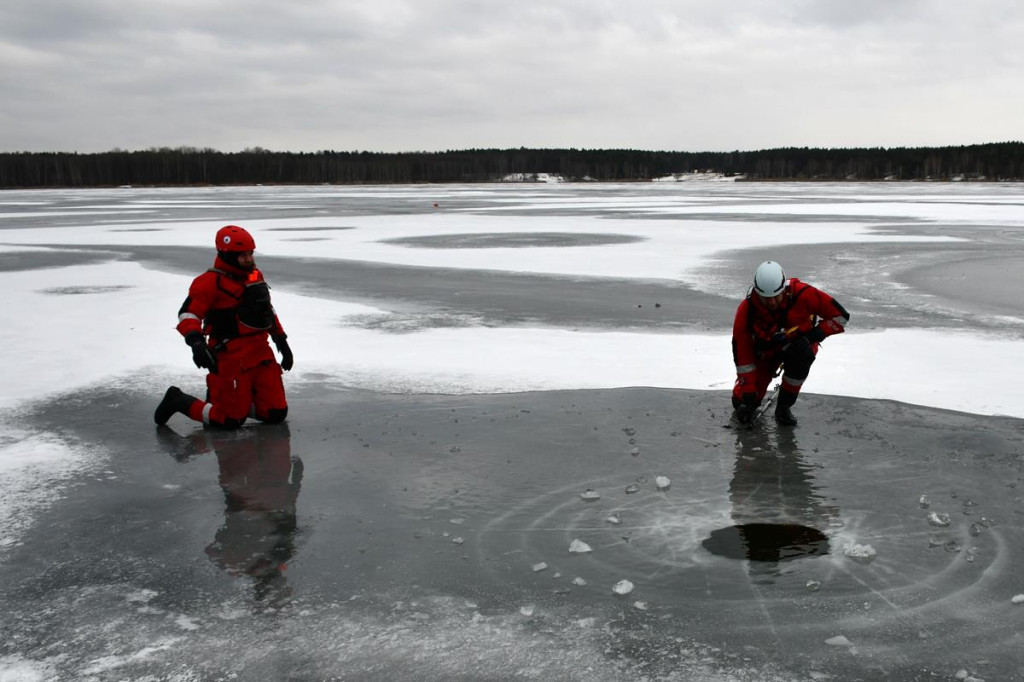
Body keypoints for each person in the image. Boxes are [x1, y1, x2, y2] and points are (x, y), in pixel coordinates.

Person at [154, 225, 294, 429]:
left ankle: (234, 401)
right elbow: (188, 314)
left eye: (250, 253)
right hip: (231, 357)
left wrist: (281, 340)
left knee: (275, 414)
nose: (248, 259)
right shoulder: (208, 283)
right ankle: (178, 400)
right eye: (242, 255)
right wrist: (196, 342)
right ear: (226, 254)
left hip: (261, 354)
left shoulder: (254, 276)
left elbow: (267, 311)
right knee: (229, 420)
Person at [731, 261, 849, 426]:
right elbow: (742, 353)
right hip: (765, 353)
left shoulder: (803, 294)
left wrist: (812, 337)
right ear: (757, 293)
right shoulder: (746, 311)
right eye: (766, 299)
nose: (772, 303)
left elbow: (841, 316)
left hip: (797, 347)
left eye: (776, 297)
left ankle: (783, 408)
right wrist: (748, 389)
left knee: (802, 358)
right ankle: (747, 397)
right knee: (740, 403)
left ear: (784, 290)